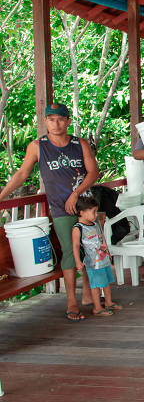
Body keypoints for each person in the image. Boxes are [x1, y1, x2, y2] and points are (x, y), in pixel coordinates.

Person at [0, 103, 99, 322]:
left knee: (91, 247)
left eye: (61, 119)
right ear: (45, 122)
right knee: (68, 250)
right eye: (51, 119)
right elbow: (22, 174)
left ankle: (90, 295)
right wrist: (2, 196)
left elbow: (93, 172)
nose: (56, 123)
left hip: (84, 205)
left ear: (68, 121)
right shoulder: (38, 146)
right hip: (59, 207)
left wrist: (77, 193)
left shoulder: (78, 143)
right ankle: (72, 300)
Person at [72, 195, 121, 317]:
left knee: (107, 282)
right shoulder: (78, 228)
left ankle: (108, 302)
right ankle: (97, 307)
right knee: (96, 285)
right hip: (93, 263)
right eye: (93, 212)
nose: (96, 215)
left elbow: (101, 238)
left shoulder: (94, 224)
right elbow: (76, 246)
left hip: (103, 259)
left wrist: (107, 251)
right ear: (82, 213)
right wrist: (78, 262)